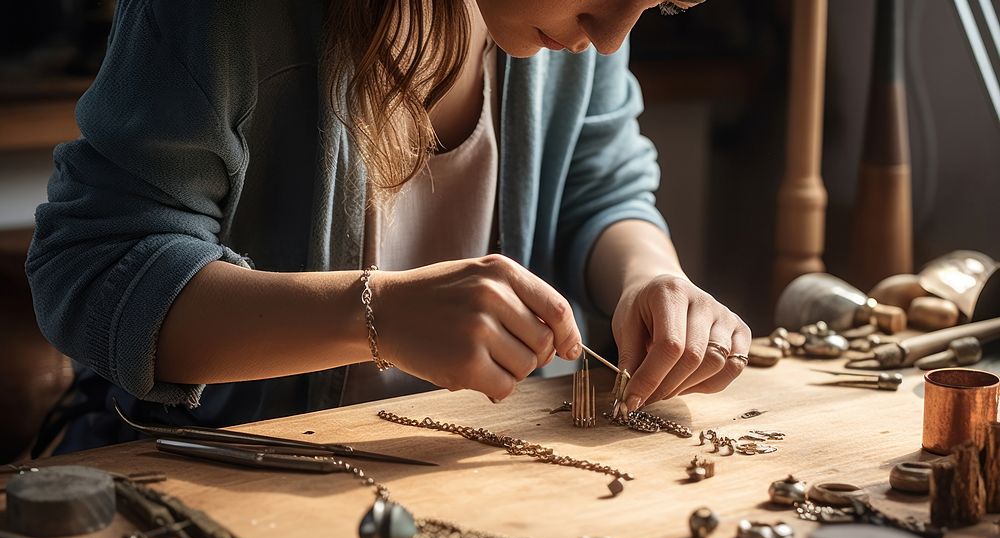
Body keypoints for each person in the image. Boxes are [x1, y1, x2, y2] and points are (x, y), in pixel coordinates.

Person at [26, 0, 750, 453]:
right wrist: (376, 314)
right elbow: (92, 271)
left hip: (477, 478)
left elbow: (601, 186)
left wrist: (651, 275)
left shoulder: (572, 27)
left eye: (664, 5)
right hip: (222, 493)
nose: (612, 35)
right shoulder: (227, 14)